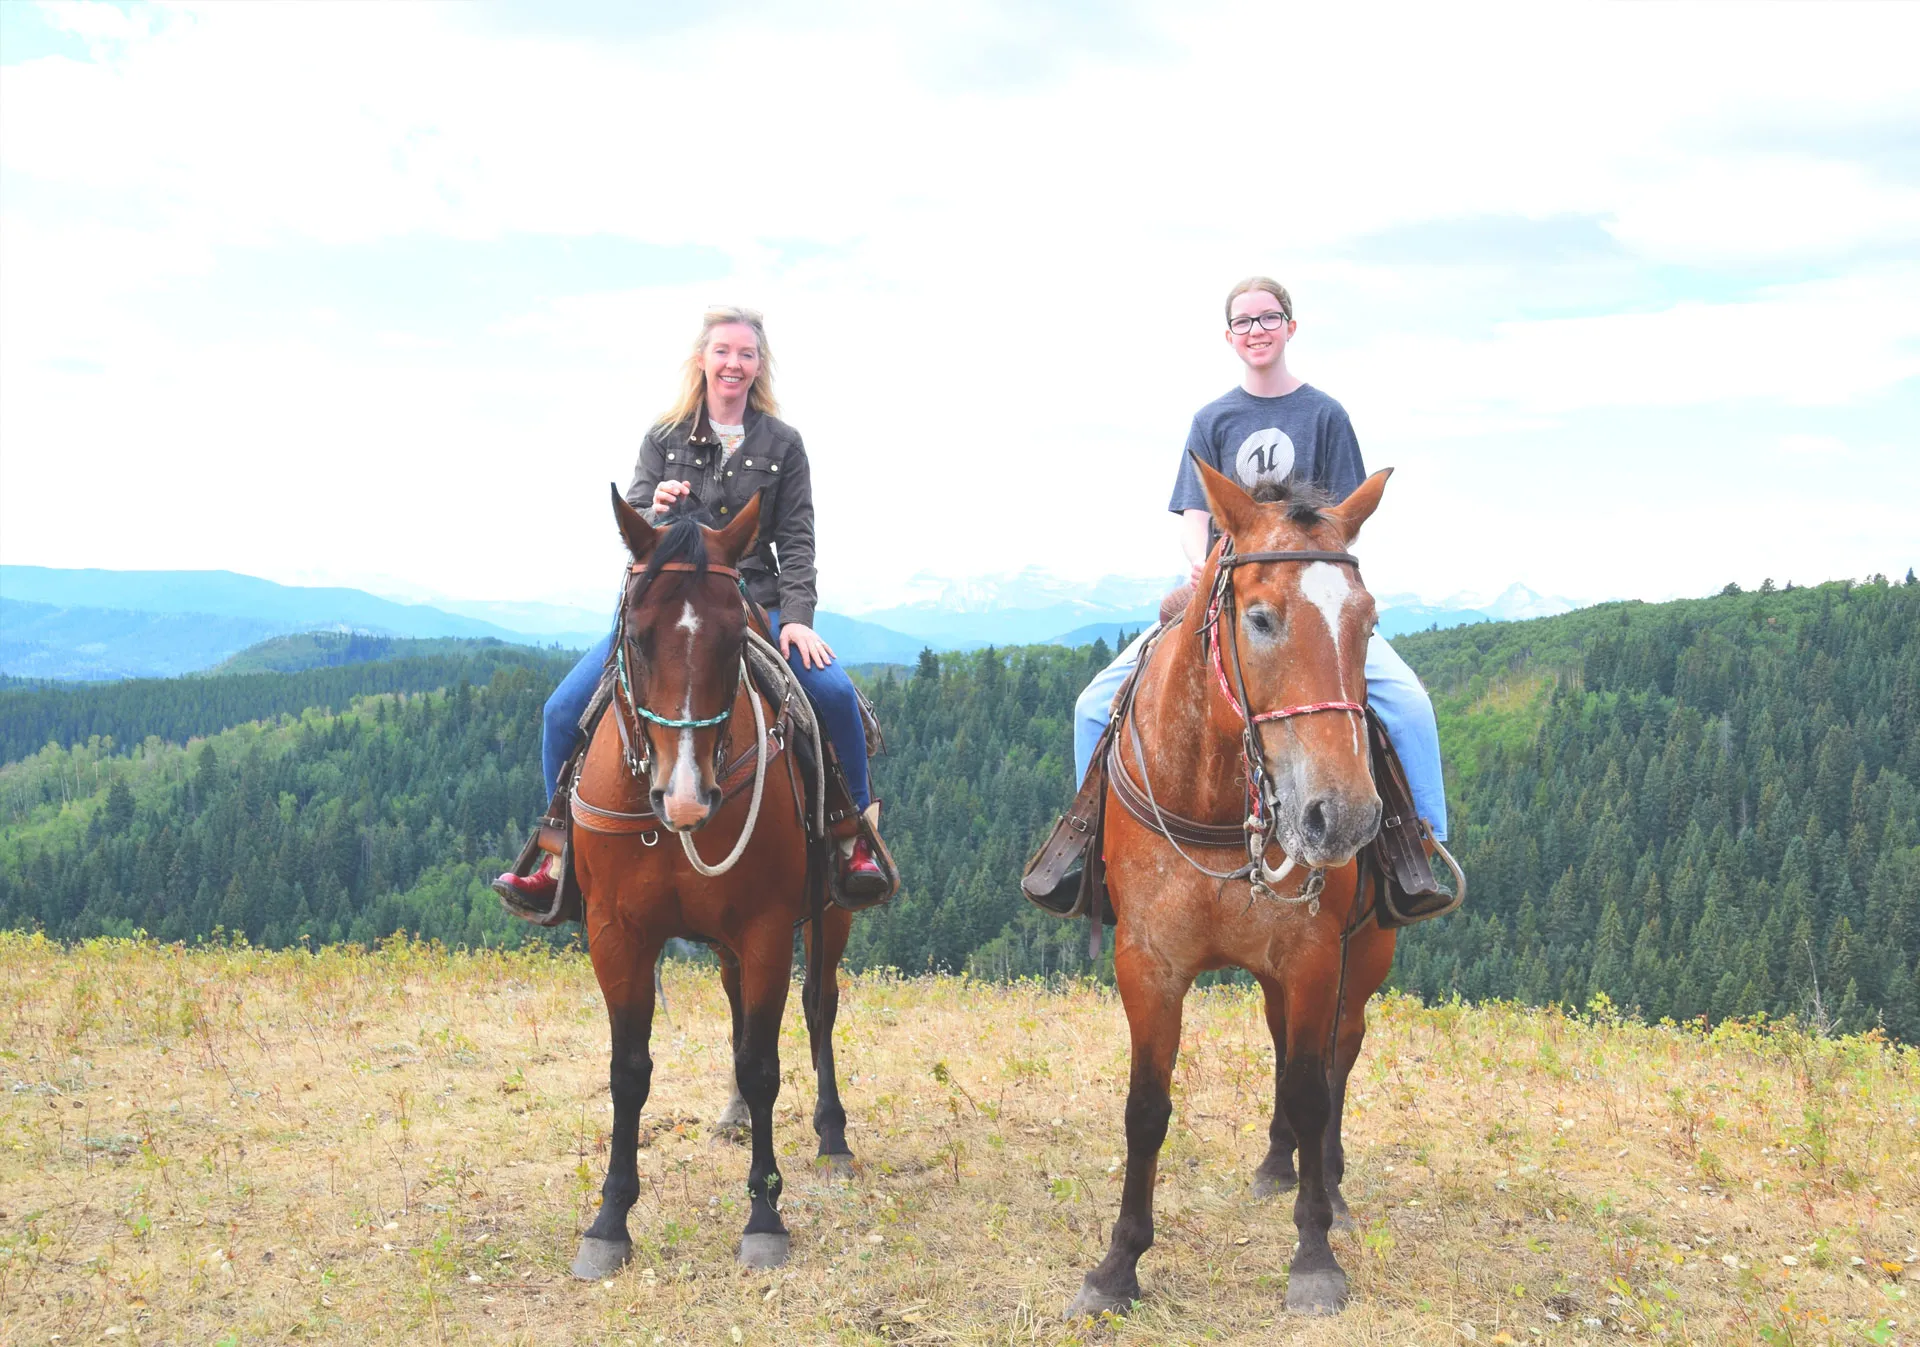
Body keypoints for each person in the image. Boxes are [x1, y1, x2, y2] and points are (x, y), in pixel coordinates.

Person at [494, 306, 888, 907]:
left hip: (754, 596)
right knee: (560, 712)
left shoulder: (783, 444)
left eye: (746, 354)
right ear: (702, 359)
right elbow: (634, 518)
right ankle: (559, 853)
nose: (734, 363)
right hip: (668, 602)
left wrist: (800, 620)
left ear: (760, 366)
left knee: (831, 694)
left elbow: (799, 539)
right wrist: (656, 505)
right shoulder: (664, 436)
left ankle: (851, 838)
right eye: (723, 351)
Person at [1064, 276, 1448, 882]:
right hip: (1227, 593)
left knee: (1409, 706)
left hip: (1307, 606)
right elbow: (1195, 515)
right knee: (1093, 707)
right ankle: (1091, 854)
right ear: (1229, 336)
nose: (1256, 331)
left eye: (1268, 318)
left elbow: (1340, 522)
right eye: (1243, 322)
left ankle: (1419, 850)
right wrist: (1201, 560)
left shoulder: (1325, 414)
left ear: (1290, 327)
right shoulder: (1212, 419)